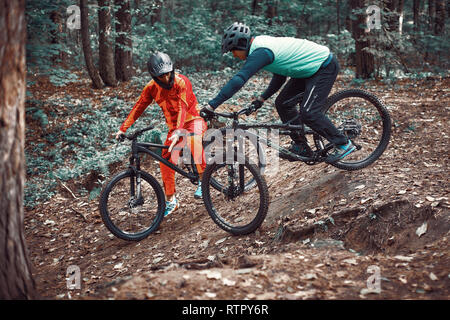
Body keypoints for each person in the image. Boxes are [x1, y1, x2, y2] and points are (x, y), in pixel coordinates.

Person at [200, 22, 355, 162]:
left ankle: (343, 143)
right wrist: (261, 99)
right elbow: (280, 75)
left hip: (323, 66)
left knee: (309, 113)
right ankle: (301, 146)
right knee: (282, 103)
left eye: (233, 51)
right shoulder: (260, 47)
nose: (233, 55)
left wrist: (212, 105)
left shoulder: (261, 52)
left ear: (240, 45)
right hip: (306, 70)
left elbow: (239, 79)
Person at [116, 52, 207, 217]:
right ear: (154, 76)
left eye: (167, 74)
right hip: (174, 127)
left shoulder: (181, 81)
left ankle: (203, 180)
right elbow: (139, 107)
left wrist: (180, 130)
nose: (165, 79)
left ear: (172, 70)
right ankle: (171, 200)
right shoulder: (151, 88)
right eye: (161, 76)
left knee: (194, 141)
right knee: (165, 160)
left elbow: (183, 107)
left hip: (193, 119)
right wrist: (123, 128)